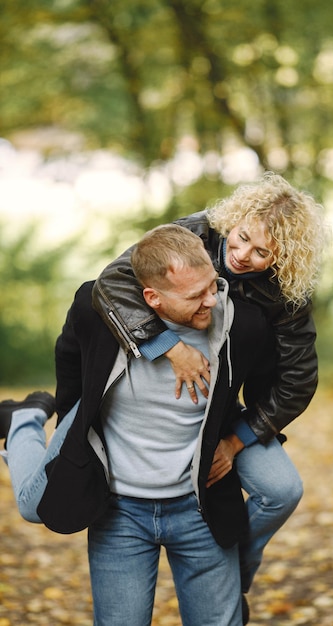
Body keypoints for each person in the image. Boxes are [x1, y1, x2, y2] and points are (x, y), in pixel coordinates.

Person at [0, 224, 282, 626]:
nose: (211, 301)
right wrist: (72, 428)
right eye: (194, 296)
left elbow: (267, 390)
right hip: (120, 516)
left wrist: (236, 442)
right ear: (153, 298)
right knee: (34, 507)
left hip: (201, 510)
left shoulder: (244, 325)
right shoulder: (97, 313)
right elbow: (69, 358)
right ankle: (25, 420)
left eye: (213, 287)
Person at [92, 172, 328, 604]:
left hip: (233, 406)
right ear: (232, 220)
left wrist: (238, 441)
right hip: (165, 392)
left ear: (282, 258)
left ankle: (234, 564)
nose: (242, 255)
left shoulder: (286, 291)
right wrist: (168, 346)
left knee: (282, 490)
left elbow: (298, 380)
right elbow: (111, 283)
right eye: (240, 239)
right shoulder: (192, 233)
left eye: (262, 253)